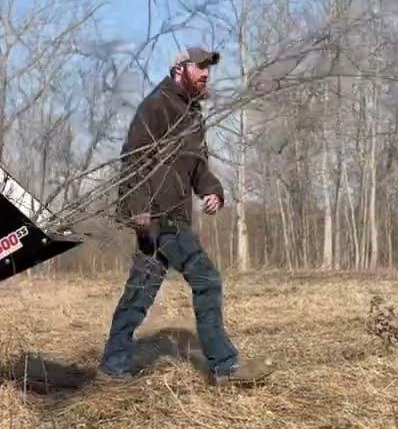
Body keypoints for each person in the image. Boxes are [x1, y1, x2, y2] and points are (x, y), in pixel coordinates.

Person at [99, 46, 272, 385]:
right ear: (179, 69)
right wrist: (139, 210)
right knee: (207, 281)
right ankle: (225, 365)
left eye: (209, 67)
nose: (207, 72)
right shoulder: (157, 104)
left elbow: (198, 166)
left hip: (172, 214)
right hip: (159, 215)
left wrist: (212, 191)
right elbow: (133, 159)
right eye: (201, 66)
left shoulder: (192, 114)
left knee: (141, 289)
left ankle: (113, 365)